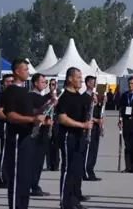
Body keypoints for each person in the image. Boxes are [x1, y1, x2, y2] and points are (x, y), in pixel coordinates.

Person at [2, 59, 48, 209]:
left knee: (25, 178)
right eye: (25, 69)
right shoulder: (11, 91)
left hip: (28, 138)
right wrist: (32, 119)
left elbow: (30, 112)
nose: (28, 72)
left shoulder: (25, 91)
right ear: (17, 71)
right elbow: (11, 115)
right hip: (17, 138)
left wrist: (43, 110)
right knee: (16, 178)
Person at [57, 67, 92, 209]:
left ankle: (74, 199)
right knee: (68, 169)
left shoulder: (80, 97)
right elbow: (62, 118)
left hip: (79, 137)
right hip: (68, 136)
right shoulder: (65, 97)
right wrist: (82, 125)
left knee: (76, 170)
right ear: (70, 79)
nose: (81, 80)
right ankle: (65, 202)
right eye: (78, 77)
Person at [28, 73, 51, 197]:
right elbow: (33, 113)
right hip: (35, 132)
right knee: (35, 161)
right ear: (36, 83)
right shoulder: (31, 96)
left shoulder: (42, 97)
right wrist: (46, 105)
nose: (45, 84)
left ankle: (35, 184)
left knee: (39, 162)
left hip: (43, 133)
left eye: (45, 82)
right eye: (42, 82)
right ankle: (33, 185)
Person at [83, 75, 104, 182]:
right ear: (88, 83)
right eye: (93, 82)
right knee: (88, 151)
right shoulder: (85, 97)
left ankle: (91, 170)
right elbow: (87, 114)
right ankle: (86, 172)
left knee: (94, 150)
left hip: (96, 128)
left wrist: (101, 102)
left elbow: (99, 112)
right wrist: (96, 120)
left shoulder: (95, 96)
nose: (95, 84)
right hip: (88, 128)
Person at [0, 73, 14, 188]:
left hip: (15, 126)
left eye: (12, 81)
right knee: (5, 152)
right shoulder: (2, 96)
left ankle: (11, 177)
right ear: (3, 83)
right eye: (8, 81)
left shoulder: (16, 95)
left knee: (12, 153)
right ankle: (3, 179)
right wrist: (9, 118)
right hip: (6, 125)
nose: (10, 83)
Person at [46, 78, 61, 171]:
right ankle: (49, 164)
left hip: (56, 123)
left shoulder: (60, 96)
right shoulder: (47, 96)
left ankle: (55, 165)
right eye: (51, 84)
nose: (52, 86)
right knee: (48, 145)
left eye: (54, 84)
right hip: (48, 123)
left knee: (56, 145)